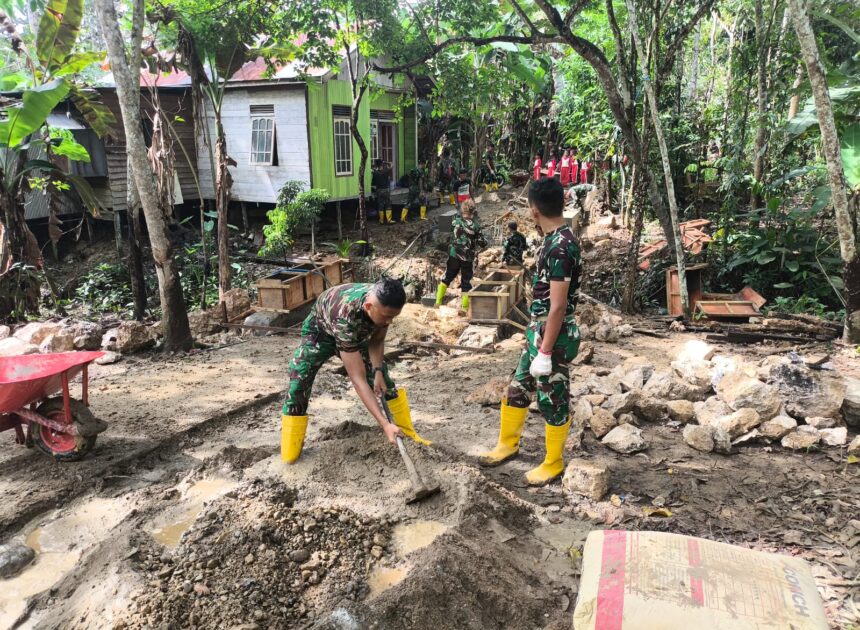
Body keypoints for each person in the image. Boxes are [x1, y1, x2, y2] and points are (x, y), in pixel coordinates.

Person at [479, 177, 582, 486]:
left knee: (553, 397)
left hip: (554, 334)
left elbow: (558, 306)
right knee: (518, 387)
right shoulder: (553, 238)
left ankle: (553, 462)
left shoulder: (560, 247)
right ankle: (507, 444)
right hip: (539, 331)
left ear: (534, 209)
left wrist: (546, 351)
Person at [281, 279, 431, 463]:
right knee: (299, 379)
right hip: (320, 333)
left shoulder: (382, 304)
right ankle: (290, 452)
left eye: (393, 317)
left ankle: (406, 434)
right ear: (369, 307)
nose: (389, 321)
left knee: (385, 382)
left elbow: (377, 340)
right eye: (386, 317)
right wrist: (384, 424)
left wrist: (377, 371)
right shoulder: (345, 316)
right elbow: (358, 379)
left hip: (354, 334)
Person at [435, 199, 487, 311]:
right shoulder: (475, 226)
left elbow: (445, 232)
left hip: (454, 254)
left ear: (462, 211)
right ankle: (464, 308)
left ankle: (438, 301)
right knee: (466, 281)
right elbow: (482, 243)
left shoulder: (455, 222)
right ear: (473, 211)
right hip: (467, 257)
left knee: (448, 276)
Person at [372, 159, 393, 224]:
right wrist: (385, 162)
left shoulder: (375, 173)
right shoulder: (386, 171)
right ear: (382, 164)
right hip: (386, 190)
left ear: (377, 165)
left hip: (379, 190)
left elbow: (373, 183)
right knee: (388, 204)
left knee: (380, 205)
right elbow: (391, 165)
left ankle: (381, 220)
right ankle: (389, 220)